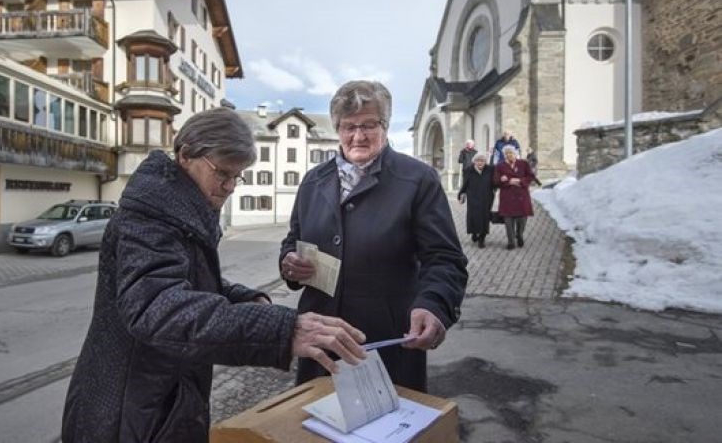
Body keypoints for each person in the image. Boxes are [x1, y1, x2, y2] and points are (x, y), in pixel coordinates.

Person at [62, 108, 367, 442]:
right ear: (185, 155)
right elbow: (157, 308)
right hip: (128, 412)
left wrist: (243, 298)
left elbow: (187, 280)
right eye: (222, 173)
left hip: (157, 402)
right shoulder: (150, 218)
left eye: (238, 176)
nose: (230, 186)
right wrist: (280, 330)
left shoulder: (180, 209)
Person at [279, 81, 468, 393]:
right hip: (321, 340)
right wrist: (288, 263)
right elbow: (293, 239)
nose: (358, 135)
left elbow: (445, 259)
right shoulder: (313, 181)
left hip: (386, 340)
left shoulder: (417, 180)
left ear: (386, 125)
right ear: (337, 128)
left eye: (369, 124)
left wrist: (433, 304)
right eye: (348, 126)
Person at [494, 146, 535, 250]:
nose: (509, 155)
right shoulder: (500, 166)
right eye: (507, 153)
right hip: (507, 196)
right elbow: (495, 180)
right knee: (508, 221)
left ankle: (519, 235)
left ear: (515, 153)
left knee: (522, 219)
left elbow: (530, 176)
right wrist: (507, 181)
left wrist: (520, 181)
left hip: (522, 195)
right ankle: (511, 241)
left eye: (511, 153)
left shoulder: (523, 163)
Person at [458, 152, 495, 248]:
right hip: (473, 198)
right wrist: (461, 194)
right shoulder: (468, 170)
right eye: (478, 160)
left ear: (485, 162)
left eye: (482, 161)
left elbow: (495, 182)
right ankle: (474, 232)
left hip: (486, 198)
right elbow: (465, 184)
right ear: (474, 161)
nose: (480, 162)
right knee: (473, 217)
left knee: (484, 218)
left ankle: (482, 239)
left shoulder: (490, 170)